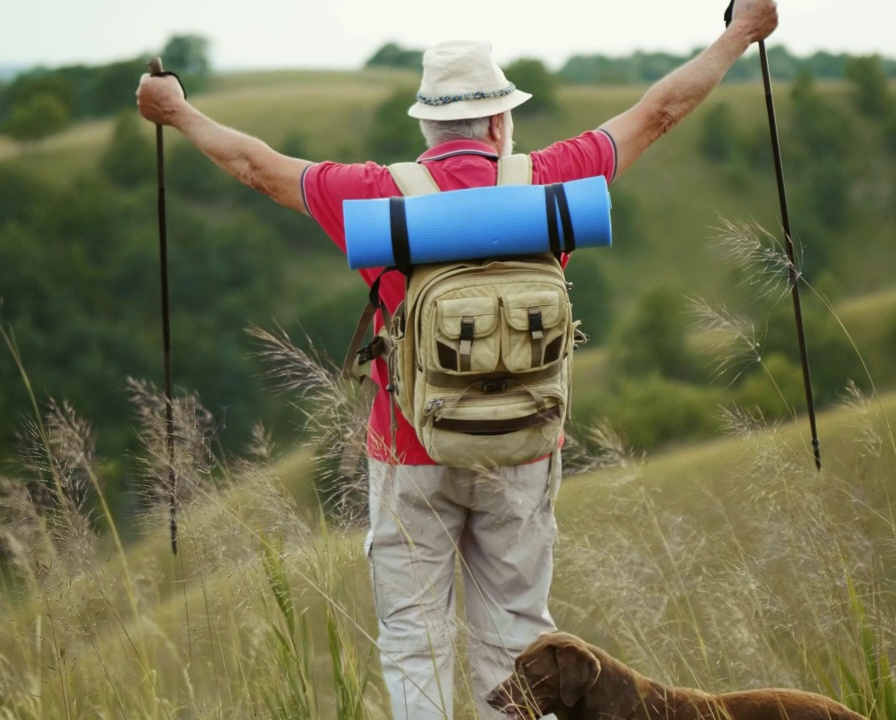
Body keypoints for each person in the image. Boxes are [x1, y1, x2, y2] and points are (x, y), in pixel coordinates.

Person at [137, 2, 777, 717]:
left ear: (426, 127)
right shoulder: (550, 181)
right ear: (500, 123)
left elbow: (255, 167)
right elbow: (660, 111)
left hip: (412, 449)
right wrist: (738, 33)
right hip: (526, 446)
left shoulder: (379, 195)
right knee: (517, 638)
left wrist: (178, 111)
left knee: (414, 638)